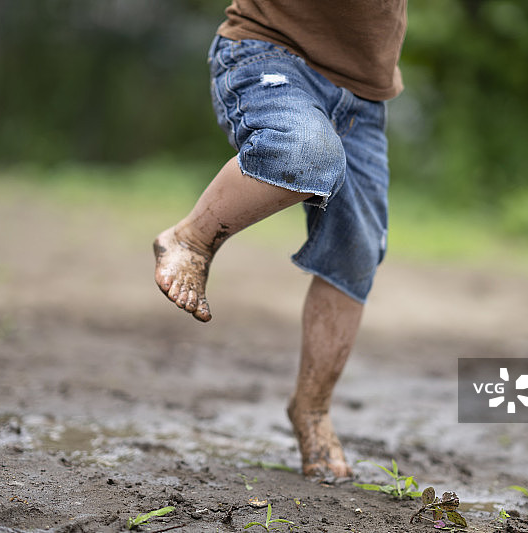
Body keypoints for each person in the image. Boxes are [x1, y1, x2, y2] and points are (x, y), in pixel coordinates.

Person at [154, 0, 407, 479]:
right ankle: (192, 238)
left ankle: (312, 408)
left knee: (357, 251)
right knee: (304, 152)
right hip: (270, 55)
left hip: (363, 97)